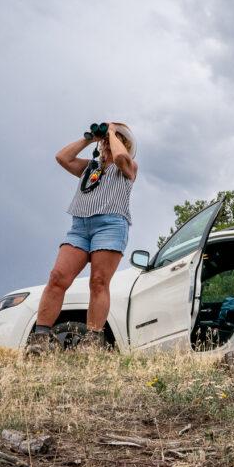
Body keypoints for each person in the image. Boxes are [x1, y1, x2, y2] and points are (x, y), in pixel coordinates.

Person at [26, 123, 138, 355]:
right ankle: (40, 338)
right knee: (57, 277)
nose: (106, 143)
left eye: (111, 140)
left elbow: (120, 157)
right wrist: (89, 138)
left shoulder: (128, 167)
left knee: (98, 281)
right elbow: (62, 157)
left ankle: (92, 339)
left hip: (111, 224)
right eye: (105, 140)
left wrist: (111, 131)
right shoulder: (90, 168)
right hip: (80, 226)